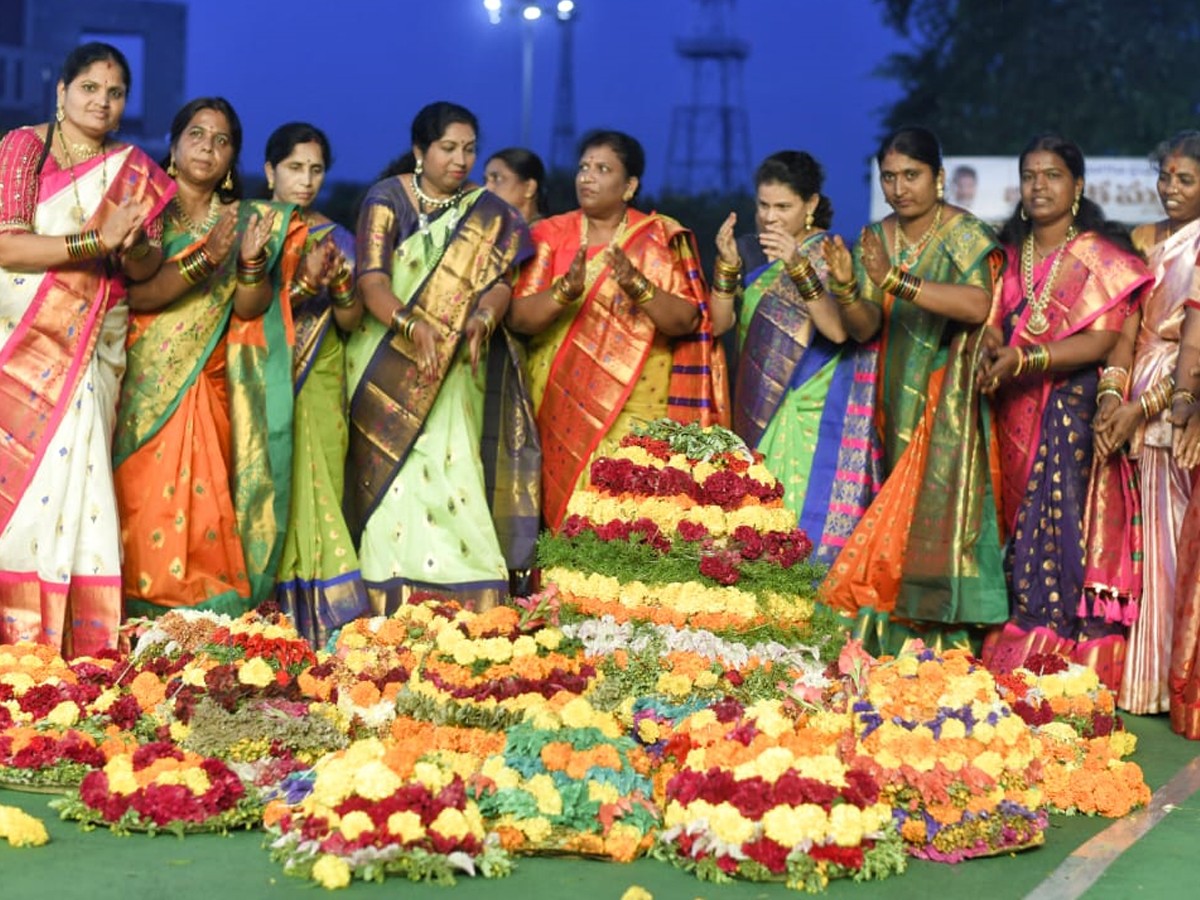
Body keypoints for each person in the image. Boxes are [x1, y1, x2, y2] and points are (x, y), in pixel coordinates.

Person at [0, 42, 174, 653]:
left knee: (81, 485)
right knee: (20, 493)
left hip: (93, 352)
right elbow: (7, 246)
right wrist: (93, 240)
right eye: (90, 88)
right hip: (21, 346)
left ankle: (75, 640)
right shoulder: (26, 146)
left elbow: (146, 264)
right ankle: (14, 633)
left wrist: (131, 248)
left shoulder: (134, 172)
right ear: (61, 92)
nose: (102, 101)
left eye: (115, 92)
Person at [112, 97, 306, 621]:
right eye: (196, 135)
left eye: (221, 141)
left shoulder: (248, 221)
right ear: (173, 147)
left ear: (231, 160)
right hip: (144, 375)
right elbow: (139, 294)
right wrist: (206, 257)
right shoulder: (145, 208)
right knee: (138, 498)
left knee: (203, 503)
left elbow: (252, 307)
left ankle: (199, 623)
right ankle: (135, 615)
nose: (208, 147)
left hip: (209, 379)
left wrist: (247, 263)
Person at [819, 126, 1006, 655]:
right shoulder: (875, 237)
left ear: (938, 177)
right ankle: (900, 623)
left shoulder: (966, 233)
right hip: (893, 393)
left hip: (948, 395)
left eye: (912, 175)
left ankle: (943, 628)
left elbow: (976, 306)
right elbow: (862, 328)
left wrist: (896, 281)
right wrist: (847, 288)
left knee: (941, 510)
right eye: (890, 178)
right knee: (902, 509)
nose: (900, 188)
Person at [346, 101, 540, 613]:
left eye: (469, 150)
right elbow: (371, 281)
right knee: (393, 485)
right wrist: (412, 325)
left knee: (454, 470)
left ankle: (471, 598)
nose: (460, 160)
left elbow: (501, 285)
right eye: (448, 148)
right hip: (386, 359)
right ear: (419, 151)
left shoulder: (488, 212)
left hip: (454, 365)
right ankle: (384, 601)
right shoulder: (385, 199)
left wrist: (482, 319)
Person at [979, 135, 1151, 690]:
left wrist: (1025, 357)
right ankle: (1017, 635)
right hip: (1010, 406)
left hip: (1069, 406)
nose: (1039, 185)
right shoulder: (1005, 255)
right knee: (1013, 526)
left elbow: (1103, 342)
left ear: (1077, 187)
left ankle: (1060, 648)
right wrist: (988, 354)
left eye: (1052, 175)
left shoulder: (1101, 257)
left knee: (1063, 525)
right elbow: (990, 327)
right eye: (1030, 175)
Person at [509, 129, 729, 530]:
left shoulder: (659, 237)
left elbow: (687, 321)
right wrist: (564, 292)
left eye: (602, 169)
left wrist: (636, 284)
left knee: (630, 530)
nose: (586, 177)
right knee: (565, 528)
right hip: (559, 413)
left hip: (638, 413)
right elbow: (518, 318)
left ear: (629, 186)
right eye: (583, 168)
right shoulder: (550, 235)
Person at [710, 151, 880, 564]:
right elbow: (717, 326)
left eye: (783, 207)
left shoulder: (831, 254)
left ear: (812, 205)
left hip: (813, 411)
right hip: (756, 407)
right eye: (763, 205)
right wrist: (727, 267)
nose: (770, 217)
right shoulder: (748, 252)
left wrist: (798, 265)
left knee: (804, 521)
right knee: (754, 527)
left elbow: (838, 330)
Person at [263, 122, 369, 646]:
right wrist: (301, 286)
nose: (306, 181)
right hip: (263, 380)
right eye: (294, 168)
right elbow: (243, 311)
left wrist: (341, 285)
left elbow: (351, 324)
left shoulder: (336, 236)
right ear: (270, 171)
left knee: (322, 480)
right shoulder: (251, 231)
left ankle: (327, 622)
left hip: (322, 377)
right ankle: (271, 620)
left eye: (316, 170)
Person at [1135, 132, 1200, 734]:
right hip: (1135, 390)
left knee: (1179, 538)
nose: (1171, 188)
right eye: (1166, 177)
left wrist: (1175, 405)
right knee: (1148, 541)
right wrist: (1115, 393)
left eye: (1185, 179)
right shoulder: (1145, 239)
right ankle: (1151, 678)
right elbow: (1128, 322)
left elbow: (1194, 343)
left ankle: (1177, 677)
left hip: (1179, 403)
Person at [484, 147, 547, 224]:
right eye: (485, 180)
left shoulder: (550, 234)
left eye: (497, 178)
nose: (487, 188)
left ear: (529, 188)